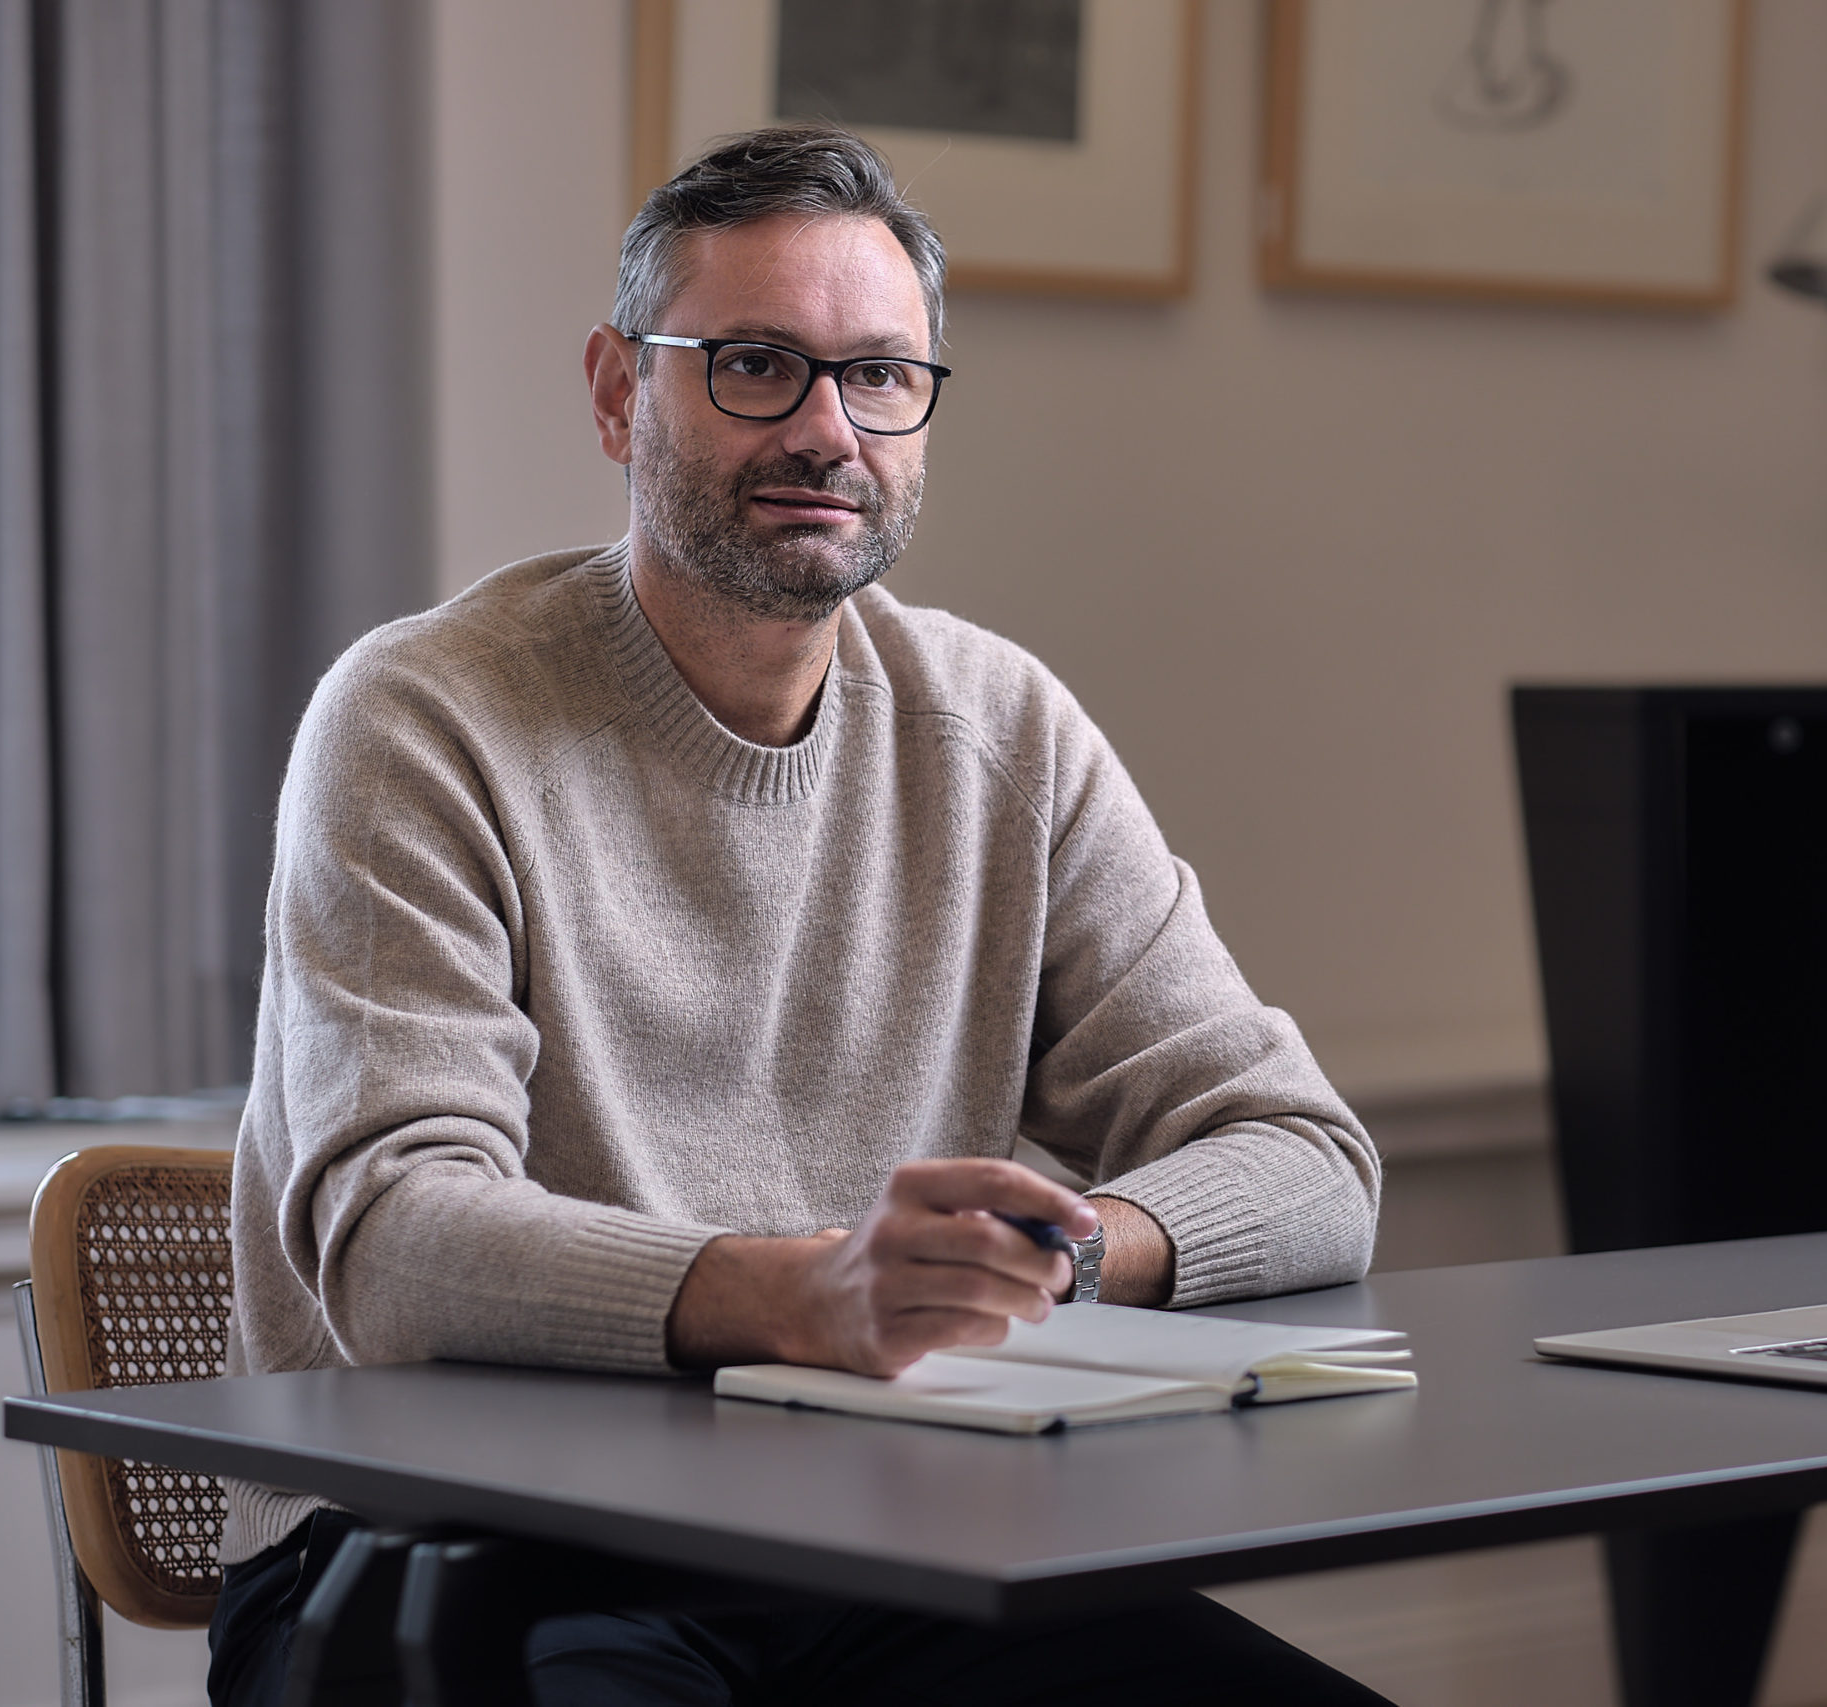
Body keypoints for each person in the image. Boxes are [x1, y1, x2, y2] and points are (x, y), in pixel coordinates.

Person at [206, 125, 1386, 1706]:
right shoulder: (421, 718)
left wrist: (1065, 1254)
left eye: (883, 375)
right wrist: (807, 1295)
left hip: (876, 1544)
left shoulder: (1001, 731)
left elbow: (1311, 1163)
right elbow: (394, 1250)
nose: (828, 428)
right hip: (441, 1555)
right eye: (757, 364)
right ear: (623, 392)